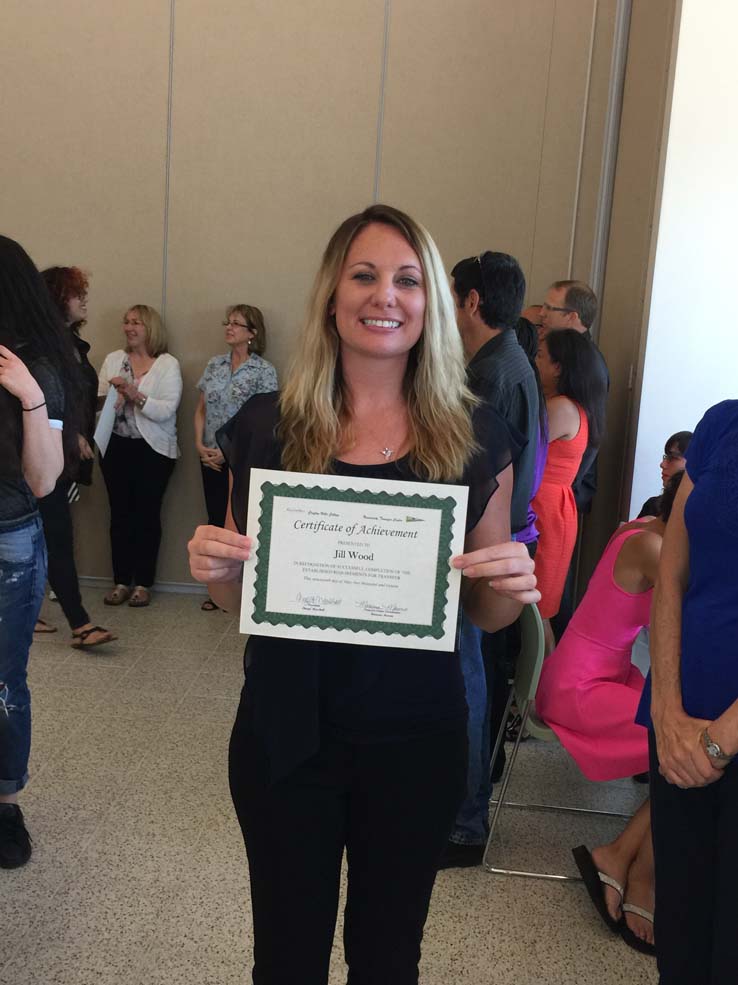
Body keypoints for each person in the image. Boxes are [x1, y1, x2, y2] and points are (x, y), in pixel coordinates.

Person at [188, 204, 539, 984]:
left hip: (416, 738)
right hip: (287, 731)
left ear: (433, 304)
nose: (387, 295)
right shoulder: (268, 427)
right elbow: (235, 599)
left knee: (387, 959)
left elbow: (483, 612)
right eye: (365, 274)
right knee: (285, 958)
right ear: (331, 295)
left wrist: (509, 585)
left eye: (408, 279)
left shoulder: (476, 435)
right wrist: (215, 572)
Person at [538, 474, 683, 956]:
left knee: (688, 741)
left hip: (594, 674)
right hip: (583, 688)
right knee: (688, 743)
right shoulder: (654, 548)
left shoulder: (639, 526)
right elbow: (690, 619)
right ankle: (635, 865)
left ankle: (629, 856)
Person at [440, 251, 540, 867]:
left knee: (467, 675)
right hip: (493, 543)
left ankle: (463, 821)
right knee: (473, 674)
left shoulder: (491, 376)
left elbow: (480, 480)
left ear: (472, 302)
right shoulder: (502, 362)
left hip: (480, 550)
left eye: (451, 300)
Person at [638, 400, 738, 983]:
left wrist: (719, 742)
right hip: (679, 719)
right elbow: (672, 574)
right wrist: (666, 706)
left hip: (717, 738)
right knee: (681, 937)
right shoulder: (722, 423)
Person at [0, 235, 81, 868]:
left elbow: (44, 480)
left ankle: (3, 805)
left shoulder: (36, 370)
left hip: (9, 544)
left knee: (2, 682)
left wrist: (28, 395)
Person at [33, 266, 116, 649]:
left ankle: (30, 611)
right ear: (56, 299)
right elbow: (41, 402)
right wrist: (71, 434)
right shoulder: (43, 348)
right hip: (47, 458)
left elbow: (73, 396)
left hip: (63, 457)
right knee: (55, 536)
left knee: (45, 536)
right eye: (75, 293)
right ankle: (80, 624)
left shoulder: (67, 345)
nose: (84, 299)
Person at [194, 304, 277, 611]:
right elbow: (200, 409)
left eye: (236, 324)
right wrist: (200, 445)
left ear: (252, 333)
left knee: (240, 520)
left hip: (242, 458)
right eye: (227, 322)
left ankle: (241, 585)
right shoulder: (214, 365)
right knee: (214, 518)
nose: (229, 328)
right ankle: (217, 586)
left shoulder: (263, 371)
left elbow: (265, 421)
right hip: (210, 454)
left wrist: (230, 452)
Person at [98, 305, 182, 607]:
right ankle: (121, 581)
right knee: (119, 515)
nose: (129, 328)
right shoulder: (112, 360)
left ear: (150, 329)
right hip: (116, 447)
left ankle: (143, 583)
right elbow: (99, 406)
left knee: (147, 515)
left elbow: (166, 410)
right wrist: (115, 400)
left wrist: (135, 394)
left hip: (154, 451)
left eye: (136, 323)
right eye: (127, 322)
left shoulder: (167, 364)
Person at [539, 280, 609, 640]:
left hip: (553, 502)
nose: (540, 314)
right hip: (560, 500)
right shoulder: (574, 401)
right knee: (544, 602)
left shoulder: (564, 407)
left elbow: (524, 449)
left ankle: (539, 689)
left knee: (541, 608)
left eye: (549, 309)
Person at [637, 430, 691, 519]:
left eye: (672, 458)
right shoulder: (652, 506)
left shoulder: (702, 510)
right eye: (666, 457)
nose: (662, 464)